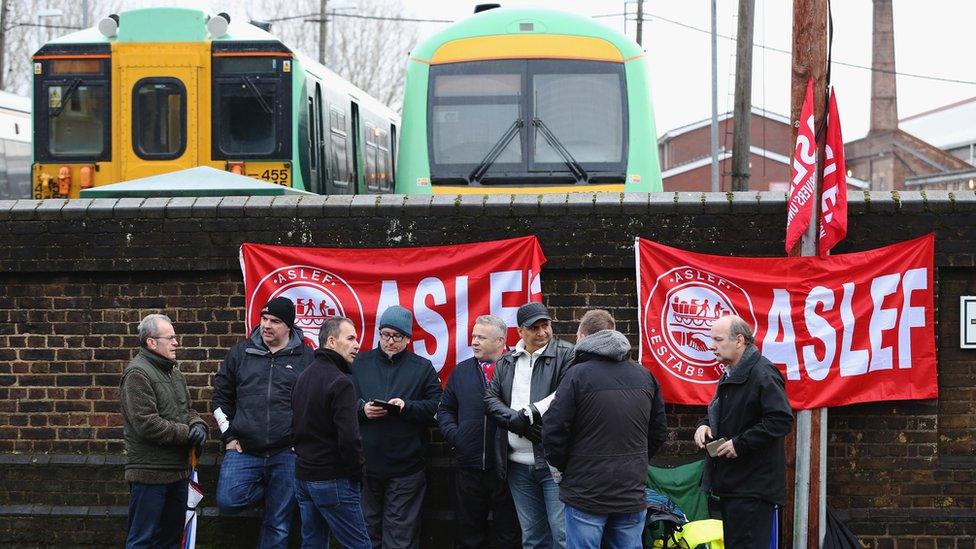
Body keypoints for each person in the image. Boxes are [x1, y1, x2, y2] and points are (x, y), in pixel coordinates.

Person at [543, 309, 668, 549]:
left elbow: (553, 431)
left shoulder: (576, 375)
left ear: (582, 337)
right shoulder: (644, 376)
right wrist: (635, 462)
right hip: (630, 490)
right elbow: (658, 432)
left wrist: (567, 468)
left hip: (585, 492)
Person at [212, 296, 314, 547]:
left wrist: (303, 440)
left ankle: (280, 494)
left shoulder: (306, 357)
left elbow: (315, 404)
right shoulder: (240, 352)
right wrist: (229, 436)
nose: (267, 325)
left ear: (289, 326)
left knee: (278, 524)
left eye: (275, 321)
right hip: (244, 449)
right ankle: (274, 490)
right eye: (264, 319)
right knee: (228, 501)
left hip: (287, 453)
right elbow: (220, 399)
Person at [693, 315, 793, 548]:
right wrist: (704, 425)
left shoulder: (762, 373)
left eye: (718, 339)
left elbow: (780, 419)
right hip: (734, 484)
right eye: (711, 339)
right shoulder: (731, 372)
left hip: (754, 487)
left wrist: (740, 443)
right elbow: (726, 415)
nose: (712, 345)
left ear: (740, 340)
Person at [484, 301, 575, 549]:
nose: (542, 332)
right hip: (516, 465)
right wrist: (516, 421)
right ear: (520, 332)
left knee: (562, 535)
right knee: (533, 537)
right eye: (534, 327)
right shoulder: (506, 362)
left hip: (553, 464)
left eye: (545, 325)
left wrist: (531, 413)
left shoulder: (567, 354)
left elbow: (566, 395)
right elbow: (490, 400)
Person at [352, 305, 443, 549]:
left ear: (408, 338)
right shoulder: (359, 363)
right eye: (385, 335)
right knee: (366, 532)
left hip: (407, 467)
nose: (390, 341)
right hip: (366, 465)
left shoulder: (422, 367)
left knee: (400, 536)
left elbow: (437, 406)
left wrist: (407, 407)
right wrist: (362, 409)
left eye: (397, 336)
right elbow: (340, 402)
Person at [121, 313, 208, 549]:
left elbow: (187, 411)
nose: (176, 342)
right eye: (169, 338)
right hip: (150, 474)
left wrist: (199, 425)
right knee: (143, 540)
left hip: (178, 473)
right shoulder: (137, 374)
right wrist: (186, 433)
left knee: (170, 541)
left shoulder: (173, 372)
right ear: (151, 342)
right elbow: (146, 423)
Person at [438, 315, 521, 549]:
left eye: (481, 337)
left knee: (509, 534)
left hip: (508, 467)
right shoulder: (461, 372)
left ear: (500, 341)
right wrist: (457, 436)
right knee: (468, 534)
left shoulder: (518, 368)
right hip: (469, 467)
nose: (474, 341)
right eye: (473, 336)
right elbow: (445, 409)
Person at [292, 316, 371, 549]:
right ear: (332, 341)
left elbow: (294, 427)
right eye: (351, 338)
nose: (357, 344)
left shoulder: (303, 377)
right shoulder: (341, 382)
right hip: (333, 478)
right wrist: (357, 473)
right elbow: (349, 438)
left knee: (313, 544)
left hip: (304, 478)